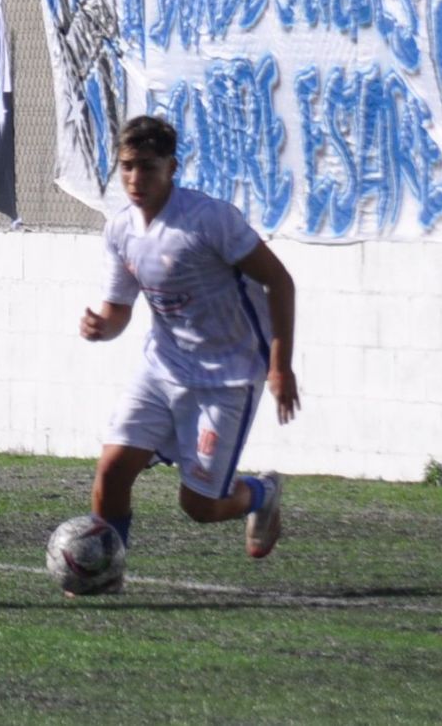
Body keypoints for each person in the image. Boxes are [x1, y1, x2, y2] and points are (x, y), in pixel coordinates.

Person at [78, 115, 300, 593]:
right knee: (112, 471)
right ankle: (106, 574)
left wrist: (280, 366)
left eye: (147, 167)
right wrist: (102, 326)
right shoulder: (120, 230)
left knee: (198, 507)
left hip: (228, 377)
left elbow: (279, 281)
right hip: (162, 367)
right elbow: (119, 310)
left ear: (172, 167)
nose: (135, 179)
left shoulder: (209, 220)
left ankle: (261, 493)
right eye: (127, 167)